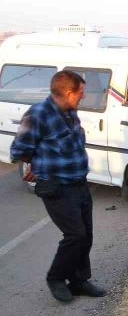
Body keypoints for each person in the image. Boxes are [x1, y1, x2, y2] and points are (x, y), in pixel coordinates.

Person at [10, 70, 106, 302]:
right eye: (80, 93)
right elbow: (18, 150)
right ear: (67, 92)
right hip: (57, 187)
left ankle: (79, 281)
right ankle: (56, 278)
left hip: (80, 182)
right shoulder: (37, 115)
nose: (83, 97)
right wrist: (36, 164)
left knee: (87, 236)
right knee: (75, 235)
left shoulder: (70, 112)